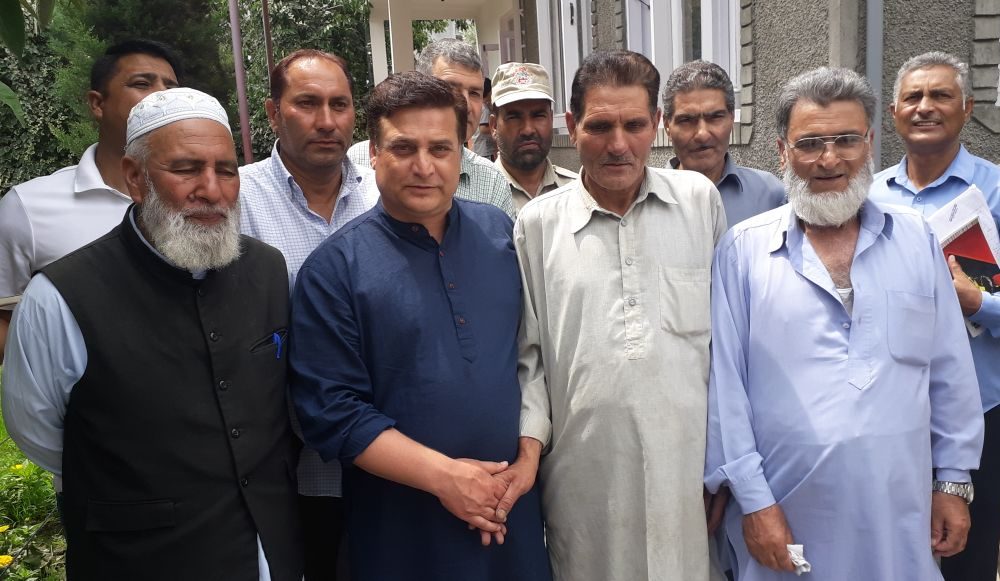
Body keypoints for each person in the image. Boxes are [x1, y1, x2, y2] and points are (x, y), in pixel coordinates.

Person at [1, 88, 302, 580]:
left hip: (270, 553)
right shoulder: (61, 297)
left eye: (226, 170)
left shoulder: (267, 270)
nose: (211, 189)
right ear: (136, 178)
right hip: (140, 559)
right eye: (186, 169)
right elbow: (39, 433)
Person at [706, 67, 984, 580]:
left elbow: (949, 369)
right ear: (782, 151)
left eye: (846, 140)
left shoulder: (915, 239)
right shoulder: (744, 250)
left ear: (869, 143)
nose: (830, 159)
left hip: (900, 518)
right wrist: (754, 502)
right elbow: (726, 389)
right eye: (810, 143)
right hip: (787, 520)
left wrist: (952, 482)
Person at [289, 71, 550, 581]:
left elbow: (529, 356)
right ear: (373, 154)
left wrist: (528, 455)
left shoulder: (499, 233)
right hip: (404, 531)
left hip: (511, 514)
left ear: (462, 153)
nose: (424, 167)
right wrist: (447, 478)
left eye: (440, 149)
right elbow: (332, 412)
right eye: (404, 148)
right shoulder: (334, 270)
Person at [505, 50, 726, 580]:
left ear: (657, 123)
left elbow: (729, 349)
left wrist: (725, 466)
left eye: (634, 125)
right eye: (600, 126)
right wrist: (530, 454)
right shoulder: (538, 225)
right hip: (583, 480)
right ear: (573, 124)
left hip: (688, 474)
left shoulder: (699, 202)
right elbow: (528, 361)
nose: (618, 144)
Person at [238, 48, 377, 581]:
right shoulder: (239, 201)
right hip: (288, 468)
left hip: (391, 457)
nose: (326, 121)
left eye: (339, 104)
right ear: (274, 113)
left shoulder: (383, 194)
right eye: (307, 103)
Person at [869, 51, 1000, 581]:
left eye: (941, 95)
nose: (925, 107)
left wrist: (978, 303)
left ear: (967, 108)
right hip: (889, 410)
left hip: (982, 413)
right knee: (891, 551)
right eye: (913, 97)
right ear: (894, 112)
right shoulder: (871, 193)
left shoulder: (995, 191)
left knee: (966, 555)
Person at [0, 39, 180, 361]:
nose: (162, 97)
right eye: (142, 84)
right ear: (97, 104)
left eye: (171, 88)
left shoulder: (202, 201)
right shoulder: (28, 208)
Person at [347, 38, 514, 217]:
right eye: (451, 89)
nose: (465, 104)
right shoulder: (356, 162)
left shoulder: (492, 181)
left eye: (474, 93)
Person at [664, 60, 784, 226]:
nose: (702, 134)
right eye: (686, 120)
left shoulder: (772, 195)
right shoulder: (643, 202)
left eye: (715, 117)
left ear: (732, 118)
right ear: (667, 126)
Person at [488, 62, 577, 212]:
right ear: (494, 126)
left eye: (538, 115)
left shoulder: (577, 192)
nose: (528, 130)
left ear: (551, 119)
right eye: (514, 117)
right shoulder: (477, 197)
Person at [472, 76, 498, 160]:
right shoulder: (484, 109)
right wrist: (497, 128)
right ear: (489, 92)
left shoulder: (480, 106)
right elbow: (483, 129)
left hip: (481, 148)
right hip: (485, 150)